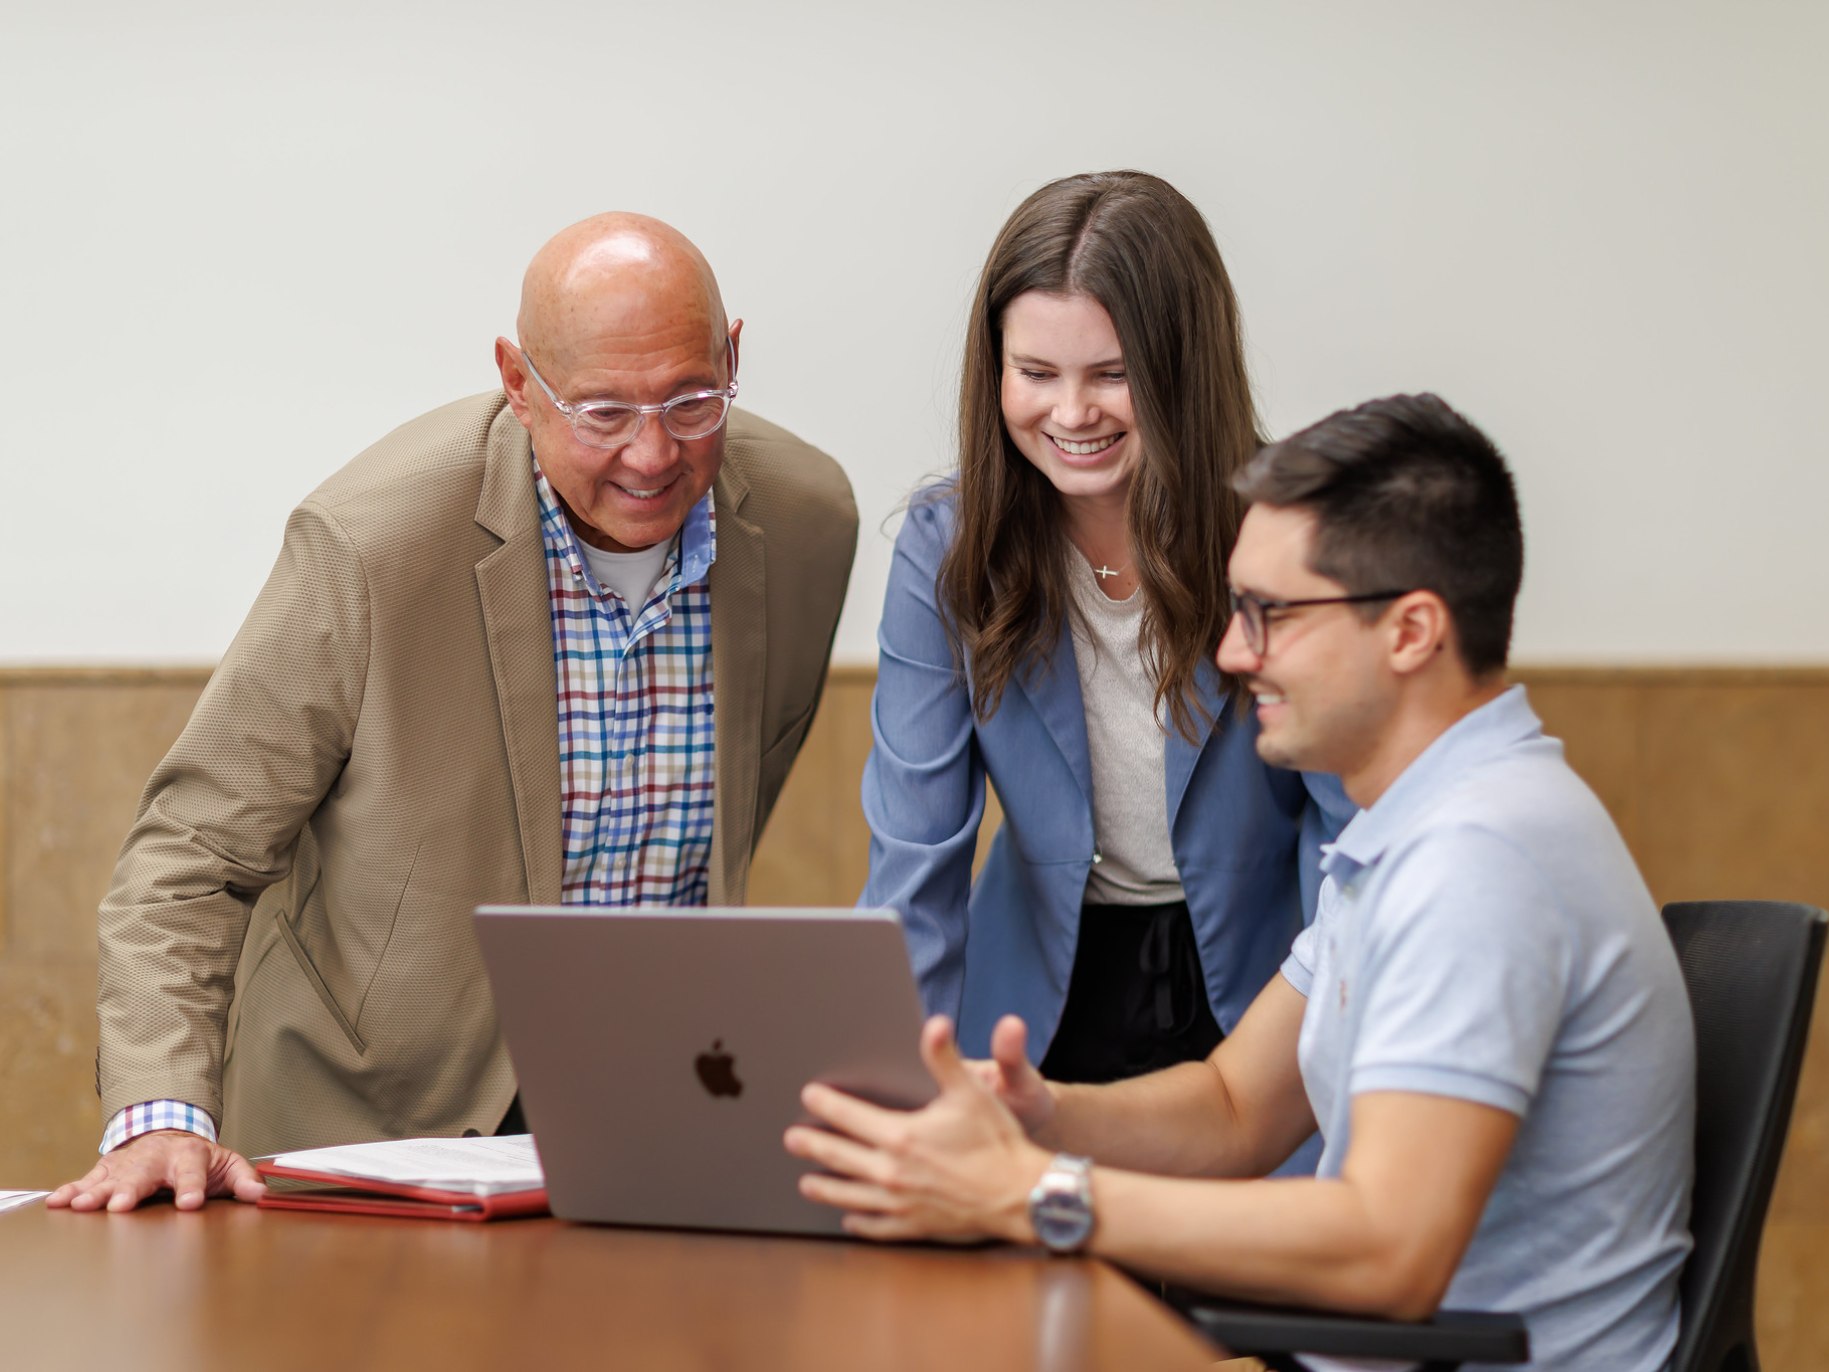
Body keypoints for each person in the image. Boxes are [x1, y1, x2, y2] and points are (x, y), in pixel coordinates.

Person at [790, 394, 1694, 1372]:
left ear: (1409, 631)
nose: (1229, 652)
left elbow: (1387, 1249)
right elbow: (1232, 1106)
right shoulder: (1416, 834)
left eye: (1269, 614)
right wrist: (1036, 1114)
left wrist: (1029, 1192)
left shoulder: (1478, 864)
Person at [51, 213, 857, 1213]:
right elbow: (188, 853)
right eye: (602, 412)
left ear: (733, 357)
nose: (653, 453)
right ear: (518, 384)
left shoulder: (805, 523)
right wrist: (162, 1109)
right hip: (369, 1128)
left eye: (692, 399)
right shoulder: (370, 545)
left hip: (643, 1116)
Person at [862, 170, 1351, 1083]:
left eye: (1114, 376)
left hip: (1270, 988)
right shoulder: (943, 547)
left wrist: (1337, 1065)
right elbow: (912, 864)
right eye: (1035, 373)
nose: (1072, 412)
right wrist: (898, 1094)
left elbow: (1348, 842)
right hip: (1040, 1001)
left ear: (1180, 372)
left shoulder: (1286, 532)